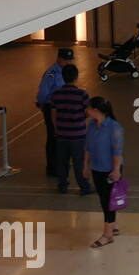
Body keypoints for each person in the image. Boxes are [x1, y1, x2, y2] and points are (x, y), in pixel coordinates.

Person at [84, 97, 124, 248]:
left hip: (110, 169)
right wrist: (85, 166)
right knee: (104, 198)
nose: (86, 110)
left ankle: (107, 235)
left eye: (88, 108)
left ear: (95, 110)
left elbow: (117, 152)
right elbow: (87, 147)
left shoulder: (115, 128)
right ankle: (112, 226)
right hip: (97, 168)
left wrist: (116, 170)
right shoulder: (91, 126)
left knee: (109, 201)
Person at [50, 63, 93, 195]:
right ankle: (84, 186)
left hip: (62, 134)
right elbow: (88, 112)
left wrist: (57, 128)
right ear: (76, 77)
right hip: (78, 134)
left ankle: (62, 185)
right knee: (79, 162)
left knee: (62, 162)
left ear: (63, 77)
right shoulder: (82, 94)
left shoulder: (56, 94)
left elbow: (53, 113)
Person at [35, 48, 75, 176]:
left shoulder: (66, 71)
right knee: (53, 137)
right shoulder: (51, 73)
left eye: (70, 60)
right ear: (59, 58)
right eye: (66, 60)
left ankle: (62, 164)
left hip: (63, 108)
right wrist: (43, 106)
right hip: (51, 108)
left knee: (63, 137)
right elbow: (42, 93)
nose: (68, 62)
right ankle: (52, 167)